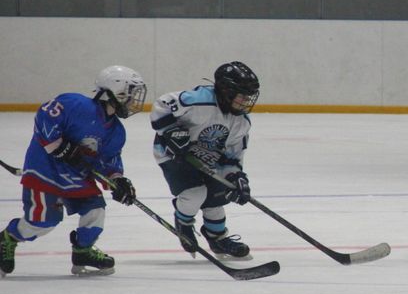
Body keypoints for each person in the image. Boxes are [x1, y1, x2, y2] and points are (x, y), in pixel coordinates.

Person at [0, 66, 146, 277]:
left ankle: (82, 251)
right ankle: (8, 237)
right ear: (117, 91)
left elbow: (109, 162)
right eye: (130, 94)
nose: (134, 101)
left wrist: (118, 181)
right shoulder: (75, 104)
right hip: (45, 171)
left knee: (95, 211)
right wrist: (58, 146)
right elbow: (44, 117)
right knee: (43, 221)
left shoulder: (116, 132)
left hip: (76, 177)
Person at [150, 61, 260, 259]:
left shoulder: (241, 122)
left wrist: (235, 178)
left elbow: (232, 157)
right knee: (194, 194)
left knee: (216, 196)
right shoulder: (199, 100)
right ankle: (183, 223)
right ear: (226, 91)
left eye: (248, 97)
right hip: (173, 154)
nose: (246, 102)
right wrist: (171, 132)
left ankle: (217, 238)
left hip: (208, 158)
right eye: (242, 96)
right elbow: (162, 105)